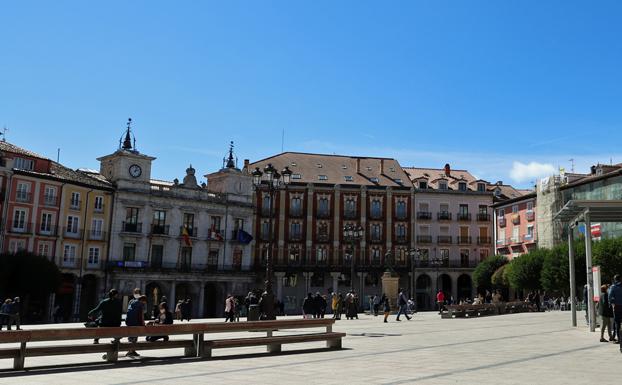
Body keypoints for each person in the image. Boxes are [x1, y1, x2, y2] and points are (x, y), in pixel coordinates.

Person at [88, 289, 122, 353]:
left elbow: (97, 309)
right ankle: (117, 339)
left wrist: (90, 313)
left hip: (104, 322)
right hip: (115, 323)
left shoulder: (104, 302)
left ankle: (96, 340)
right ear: (116, 295)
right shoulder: (118, 302)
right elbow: (119, 313)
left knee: (99, 326)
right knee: (117, 329)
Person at [609, 275, 622, 350]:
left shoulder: (613, 287)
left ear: (614, 279)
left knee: (617, 323)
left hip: (617, 307)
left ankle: (619, 339)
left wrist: (612, 303)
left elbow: (610, 297)